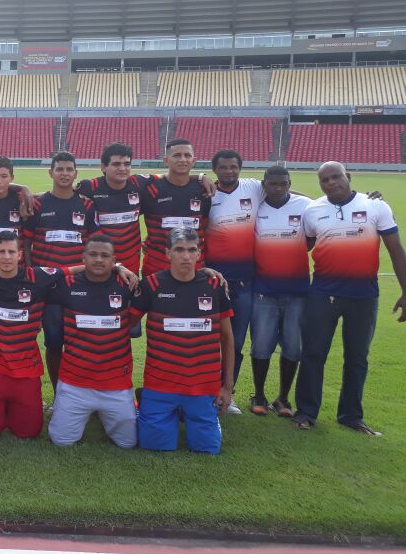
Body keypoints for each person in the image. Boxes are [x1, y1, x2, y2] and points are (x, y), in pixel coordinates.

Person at [293, 162, 406, 436]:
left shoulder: (375, 206)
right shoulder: (313, 211)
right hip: (323, 293)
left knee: (357, 357)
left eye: (337, 177)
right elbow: (306, 243)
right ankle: (306, 412)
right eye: (325, 180)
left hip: (363, 295)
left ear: (348, 176)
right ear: (320, 184)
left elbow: (396, 250)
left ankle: (351, 416)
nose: (332, 183)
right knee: (313, 354)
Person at [130, 227, 235, 454]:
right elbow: (124, 326)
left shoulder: (215, 285)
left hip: (202, 386)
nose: (186, 256)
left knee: (206, 449)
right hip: (160, 384)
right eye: (179, 250)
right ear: (168, 253)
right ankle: (148, 403)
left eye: (191, 250)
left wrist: (227, 386)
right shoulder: (151, 285)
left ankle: (189, 414)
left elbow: (227, 338)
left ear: (199, 253)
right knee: (156, 447)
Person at [0, 230, 62, 439]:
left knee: (29, 432)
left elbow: (73, 270)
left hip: (25, 369)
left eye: (11, 252)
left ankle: (14, 406)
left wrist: (117, 268)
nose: (7, 256)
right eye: (1, 252)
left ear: (19, 255)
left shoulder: (37, 277)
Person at [47, 235, 137, 448]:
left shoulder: (127, 284)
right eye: (93, 255)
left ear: (113, 259)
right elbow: (30, 279)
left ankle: (138, 403)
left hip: (115, 384)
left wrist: (207, 272)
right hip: (75, 383)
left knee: (129, 443)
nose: (98, 260)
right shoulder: (65, 285)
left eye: (105, 256)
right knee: (61, 441)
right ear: (83, 257)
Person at [23, 151, 100, 390]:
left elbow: (95, 244)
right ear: (51, 173)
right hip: (49, 287)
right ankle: (59, 394)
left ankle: (83, 392)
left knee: (83, 343)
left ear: (76, 173)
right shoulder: (37, 204)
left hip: (79, 286)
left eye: (69, 170)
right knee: (54, 343)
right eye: (60, 169)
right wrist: (29, 275)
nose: (64, 174)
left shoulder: (87, 205)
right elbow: (25, 243)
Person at [204, 150, 262, 414]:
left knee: (235, 342)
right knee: (205, 341)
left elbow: (291, 198)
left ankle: (228, 392)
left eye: (234, 167)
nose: (230, 172)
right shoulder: (206, 194)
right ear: (215, 170)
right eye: (224, 168)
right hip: (211, 283)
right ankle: (203, 391)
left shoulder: (254, 187)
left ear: (241, 168)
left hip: (244, 283)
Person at [249, 166, 310, 417]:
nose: (278, 188)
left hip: (297, 292)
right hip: (264, 290)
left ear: (289, 183)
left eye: (283, 183)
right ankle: (259, 394)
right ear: (264, 185)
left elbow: (334, 207)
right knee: (261, 345)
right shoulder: (256, 206)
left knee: (293, 347)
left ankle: (283, 398)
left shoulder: (306, 205)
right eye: (272, 184)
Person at [76, 143, 152, 275]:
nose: (123, 168)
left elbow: (170, 178)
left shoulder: (139, 183)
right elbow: (62, 195)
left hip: (131, 265)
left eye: (127, 164)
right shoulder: (90, 187)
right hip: (100, 264)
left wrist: (199, 177)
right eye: (116, 164)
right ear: (104, 167)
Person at [138, 139, 211, 277]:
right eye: (177, 155)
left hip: (194, 269)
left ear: (194, 160)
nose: (183, 159)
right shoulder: (151, 190)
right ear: (166, 160)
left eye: (187, 155)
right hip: (156, 269)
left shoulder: (203, 191)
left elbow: (205, 228)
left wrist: (201, 177)